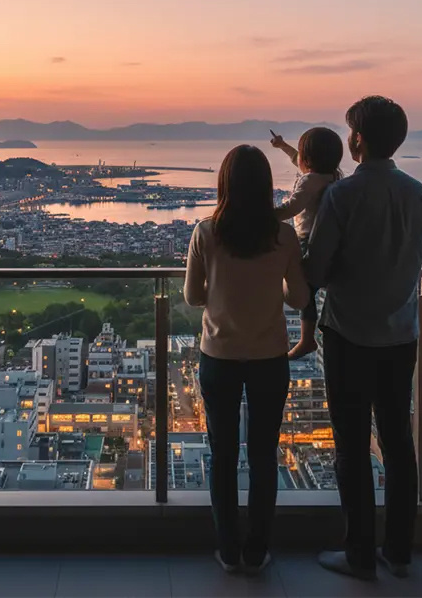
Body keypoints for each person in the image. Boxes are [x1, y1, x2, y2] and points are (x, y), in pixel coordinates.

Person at [303, 96, 422, 581]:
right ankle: (399, 552)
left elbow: (315, 269)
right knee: (398, 442)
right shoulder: (418, 193)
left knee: (351, 447)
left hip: (349, 335)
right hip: (401, 335)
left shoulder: (342, 196)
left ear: (357, 138)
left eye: (350, 130)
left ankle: (358, 554)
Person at [184, 144, 310, 575]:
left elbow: (191, 296)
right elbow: (299, 297)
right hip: (269, 356)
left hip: (218, 354)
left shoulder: (206, 231)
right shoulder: (284, 236)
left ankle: (228, 549)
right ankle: (257, 550)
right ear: (266, 187)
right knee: (262, 455)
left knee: (221, 454)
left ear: (225, 184)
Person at [269, 127, 344, 359]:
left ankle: (306, 338)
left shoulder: (310, 180)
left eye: (300, 153)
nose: (297, 158)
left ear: (308, 159)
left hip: (307, 239)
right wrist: (283, 146)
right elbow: (297, 160)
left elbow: (292, 207)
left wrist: (263, 214)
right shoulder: (331, 176)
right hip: (329, 238)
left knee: (304, 290)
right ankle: (311, 337)